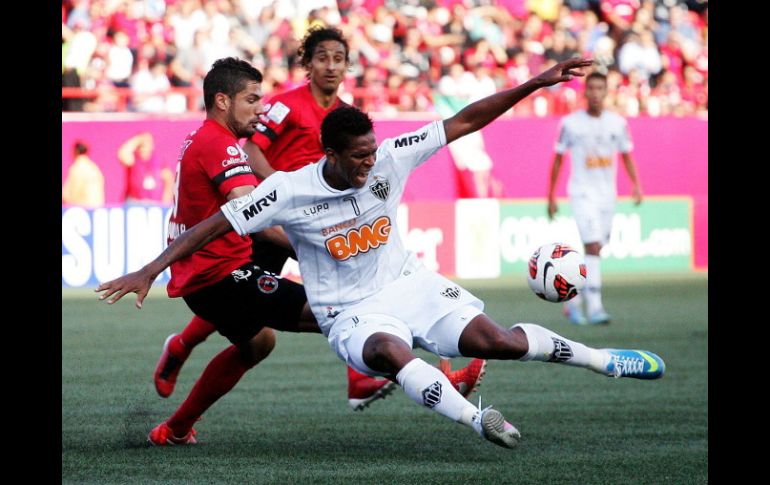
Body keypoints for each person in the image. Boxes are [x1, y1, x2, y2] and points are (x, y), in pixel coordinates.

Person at [97, 57, 665, 449]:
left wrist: (534, 84)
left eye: (372, 153)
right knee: (391, 350)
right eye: (359, 158)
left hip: (409, 284)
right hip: (349, 312)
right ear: (330, 154)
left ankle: (602, 358)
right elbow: (216, 222)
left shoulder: (391, 155)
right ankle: (478, 421)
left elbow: (465, 120)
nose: (371, 164)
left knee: (500, 341)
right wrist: (151, 269)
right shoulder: (289, 190)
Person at [155, 27, 486, 413]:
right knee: (298, 303)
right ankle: (182, 346)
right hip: (272, 219)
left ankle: (363, 379)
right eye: (322, 58)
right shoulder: (284, 107)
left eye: (338, 58)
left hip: (309, 222)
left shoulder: (346, 117)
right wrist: (275, 193)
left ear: (348, 66)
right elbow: (253, 149)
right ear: (307, 65)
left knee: (330, 302)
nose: (330, 66)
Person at [547, 71, 643, 325]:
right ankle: (596, 306)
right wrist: (551, 195)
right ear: (585, 92)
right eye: (592, 89)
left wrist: (635, 184)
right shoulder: (570, 123)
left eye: (601, 88)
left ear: (606, 92)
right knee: (591, 246)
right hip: (581, 192)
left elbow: (626, 155)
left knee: (597, 248)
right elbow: (558, 160)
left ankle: (573, 301)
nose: (596, 93)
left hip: (607, 195)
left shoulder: (618, 123)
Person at [117, 132, 174, 204]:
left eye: (147, 144)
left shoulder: (159, 162)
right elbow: (122, 154)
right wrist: (138, 139)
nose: (143, 148)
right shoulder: (133, 160)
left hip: (155, 204)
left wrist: (165, 203)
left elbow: (169, 181)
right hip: (135, 203)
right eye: (141, 146)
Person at [62, 140, 105, 208]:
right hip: (96, 208)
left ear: (75, 151)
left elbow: (72, 192)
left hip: (82, 209)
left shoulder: (77, 167)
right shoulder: (94, 168)